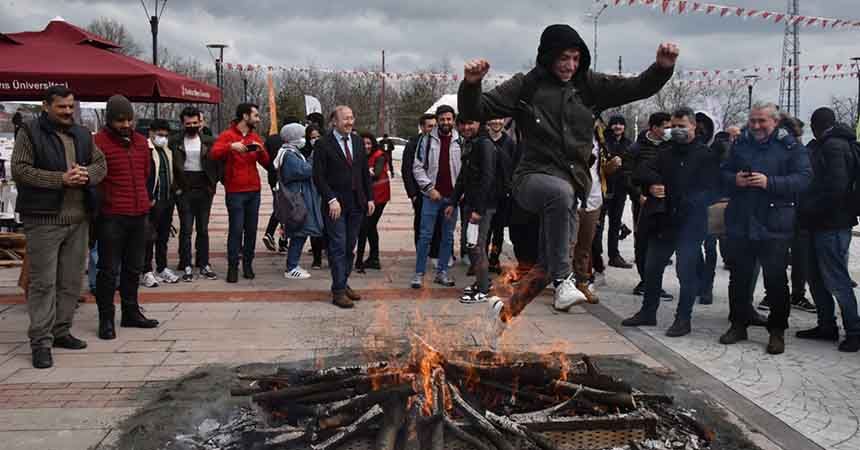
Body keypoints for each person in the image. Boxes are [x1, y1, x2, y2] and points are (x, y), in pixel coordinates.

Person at [458, 24, 678, 340]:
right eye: (563, 58)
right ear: (548, 57)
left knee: (546, 264)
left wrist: (661, 68)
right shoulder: (527, 85)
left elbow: (635, 88)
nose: (570, 66)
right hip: (531, 178)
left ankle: (504, 313)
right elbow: (475, 109)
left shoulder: (588, 85)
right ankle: (565, 280)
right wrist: (471, 84)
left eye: (575, 58)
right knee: (558, 198)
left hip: (571, 186)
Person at [11, 86, 106, 368]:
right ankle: (40, 341)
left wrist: (86, 174)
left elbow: (101, 164)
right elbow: (21, 170)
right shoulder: (30, 132)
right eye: (61, 107)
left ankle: (61, 330)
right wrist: (60, 179)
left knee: (71, 281)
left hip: (78, 218)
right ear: (46, 106)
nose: (67, 112)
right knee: (43, 283)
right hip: (43, 219)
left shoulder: (81, 133)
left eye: (70, 107)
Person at [719, 102, 812, 355]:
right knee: (739, 277)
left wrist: (769, 182)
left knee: (775, 280)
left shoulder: (790, 146)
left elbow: (804, 178)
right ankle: (738, 324)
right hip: (742, 220)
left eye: (762, 121)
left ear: (775, 122)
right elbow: (722, 173)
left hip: (774, 222)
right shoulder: (741, 143)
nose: (757, 126)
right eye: (753, 121)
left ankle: (777, 330)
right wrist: (734, 180)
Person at [621, 107, 721, 337]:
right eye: (673, 126)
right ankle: (648, 311)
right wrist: (652, 185)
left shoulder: (705, 155)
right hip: (664, 222)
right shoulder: (666, 152)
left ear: (693, 127)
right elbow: (641, 171)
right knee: (652, 268)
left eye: (681, 126)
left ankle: (682, 319)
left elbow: (714, 190)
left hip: (690, 223)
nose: (676, 130)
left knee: (686, 273)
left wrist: (684, 196)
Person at [94, 95, 160, 340]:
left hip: (139, 213)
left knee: (134, 268)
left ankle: (131, 312)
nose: (126, 125)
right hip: (112, 216)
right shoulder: (98, 143)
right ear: (110, 120)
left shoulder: (141, 142)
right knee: (108, 270)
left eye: (129, 120)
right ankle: (106, 319)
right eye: (120, 120)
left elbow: (146, 173)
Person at [795, 107, 860, 352]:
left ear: (816, 124)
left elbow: (836, 188)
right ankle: (826, 325)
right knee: (817, 277)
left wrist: (808, 207)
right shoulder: (825, 144)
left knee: (836, 279)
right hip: (819, 222)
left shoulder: (834, 146)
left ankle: (854, 330)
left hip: (832, 223)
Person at [313, 106, 374, 308]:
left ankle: (342, 281)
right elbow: (318, 177)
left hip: (356, 204)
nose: (349, 122)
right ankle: (338, 291)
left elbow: (364, 172)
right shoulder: (323, 144)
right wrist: (331, 199)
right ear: (334, 122)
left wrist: (370, 198)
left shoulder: (356, 141)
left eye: (351, 118)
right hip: (335, 205)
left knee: (350, 247)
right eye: (345, 119)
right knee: (338, 246)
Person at [210, 103, 269, 283]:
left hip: (254, 191)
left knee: (251, 230)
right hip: (235, 191)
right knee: (236, 229)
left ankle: (248, 265)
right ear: (245, 116)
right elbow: (213, 153)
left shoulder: (254, 137)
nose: (258, 119)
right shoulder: (227, 135)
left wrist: (261, 150)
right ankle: (232, 267)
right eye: (255, 115)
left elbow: (267, 164)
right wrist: (231, 146)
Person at [411, 105, 463, 289]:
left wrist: (460, 193)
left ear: (453, 120)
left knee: (447, 237)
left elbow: (466, 170)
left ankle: (442, 272)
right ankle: (418, 274)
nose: (446, 122)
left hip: (452, 198)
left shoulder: (461, 141)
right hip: (431, 197)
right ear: (438, 120)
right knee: (425, 236)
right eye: (442, 119)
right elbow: (417, 167)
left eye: (449, 119)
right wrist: (429, 188)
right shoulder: (426, 141)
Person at [448, 118, 497, 303]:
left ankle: (483, 289)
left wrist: (478, 209)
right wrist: (453, 201)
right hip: (470, 203)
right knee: (472, 245)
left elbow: (488, 178)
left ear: (479, 124)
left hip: (482, 207)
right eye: (462, 124)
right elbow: (463, 176)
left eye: (471, 123)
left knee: (477, 246)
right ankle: (481, 281)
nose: (466, 127)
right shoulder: (470, 143)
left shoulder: (484, 144)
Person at [170, 107, 220, 282]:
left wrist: (212, 184)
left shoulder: (209, 141)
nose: (192, 126)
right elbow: (170, 166)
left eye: (195, 123)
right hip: (184, 189)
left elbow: (217, 164)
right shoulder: (174, 141)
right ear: (182, 123)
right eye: (188, 123)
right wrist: (176, 188)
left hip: (204, 188)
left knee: (203, 229)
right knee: (186, 229)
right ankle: (186, 264)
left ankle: (204, 263)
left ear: (201, 122)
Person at [629, 112, 673, 300]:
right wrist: (638, 195)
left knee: (660, 241)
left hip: (665, 202)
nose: (668, 130)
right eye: (665, 126)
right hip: (644, 202)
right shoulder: (637, 148)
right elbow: (627, 174)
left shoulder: (670, 147)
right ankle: (645, 281)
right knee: (643, 241)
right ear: (654, 127)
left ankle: (653, 280)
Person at [275, 123, 323, 280]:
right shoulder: (289, 155)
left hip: (297, 198)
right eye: (301, 136)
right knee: (299, 233)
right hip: (296, 200)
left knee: (300, 233)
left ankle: (293, 264)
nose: (304, 139)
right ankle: (292, 266)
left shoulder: (291, 152)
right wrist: (315, 156)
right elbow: (305, 170)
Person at [142, 119, 180, 288]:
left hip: (167, 199)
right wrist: (147, 196)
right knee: (149, 237)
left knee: (163, 237)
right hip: (152, 201)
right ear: (151, 133)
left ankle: (162, 267)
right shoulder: (145, 150)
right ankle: (146, 270)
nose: (163, 138)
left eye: (165, 135)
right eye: (160, 135)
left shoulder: (167, 151)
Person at [402, 114, 441, 256]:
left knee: (439, 223)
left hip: (437, 192)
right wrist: (412, 194)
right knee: (421, 224)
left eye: (434, 126)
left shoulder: (440, 142)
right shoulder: (413, 144)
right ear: (422, 127)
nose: (433, 129)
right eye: (430, 126)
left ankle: (436, 251)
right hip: (419, 193)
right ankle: (421, 251)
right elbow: (406, 170)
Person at [601, 115, 635, 269]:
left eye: (621, 124)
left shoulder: (629, 144)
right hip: (603, 187)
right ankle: (595, 256)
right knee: (598, 224)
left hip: (620, 189)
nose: (617, 127)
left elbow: (631, 166)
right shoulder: (603, 141)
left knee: (615, 223)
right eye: (614, 124)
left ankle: (614, 255)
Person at [485, 118, 517, 275]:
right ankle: (480, 261)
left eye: (499, 119)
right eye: (493, 119)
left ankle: (494, 258)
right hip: (485, 193)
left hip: (503, 194)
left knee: (498, 231)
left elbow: (514, 167)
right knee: (484, 231)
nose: (496, 122)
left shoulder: (510, 143)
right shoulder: (483, 141)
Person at [355, 132, 390, 273]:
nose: (366, 146)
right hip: (368, 197)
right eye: (363, 143)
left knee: (365, 227)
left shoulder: (379, 155)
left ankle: (360, 261)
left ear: (373, 143)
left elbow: (376, 173)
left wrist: (365, 172)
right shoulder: (360, 156)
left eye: (369, 143)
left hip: (379, 197)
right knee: (370, 227)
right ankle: (374, 259)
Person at [301, 125, 326, 270]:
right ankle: (317, 258)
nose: (315, 140)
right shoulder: (305, 153)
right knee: (315, 225)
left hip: (327, 192)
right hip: (312, 193)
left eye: (318, 137)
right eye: (312, 138)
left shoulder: (328, 150)